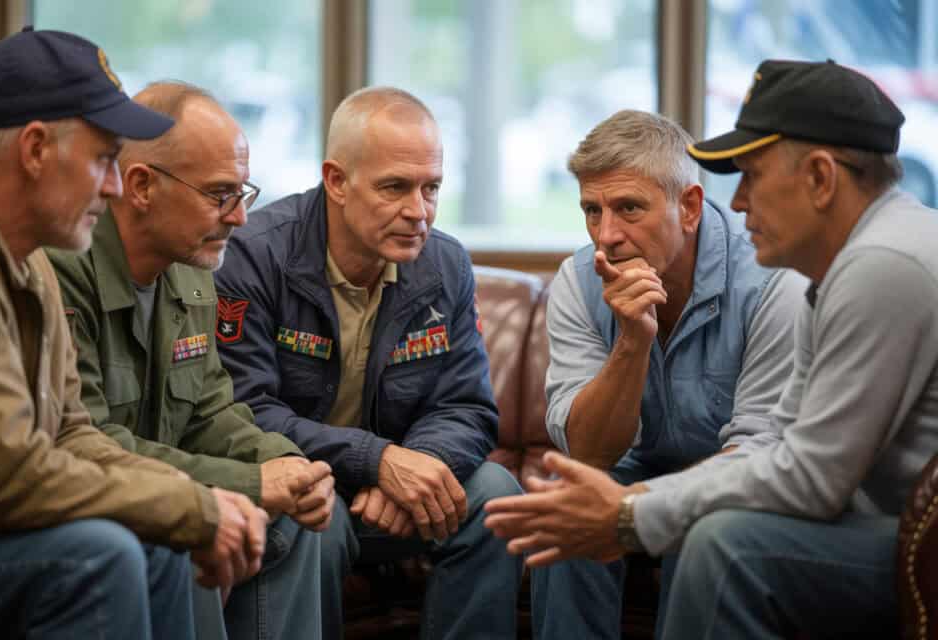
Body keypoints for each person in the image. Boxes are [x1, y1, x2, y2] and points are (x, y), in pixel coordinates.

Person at [486, 59, 938, 639]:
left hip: (914, 541)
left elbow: (806, 476)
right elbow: (786, 442)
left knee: (720, 542)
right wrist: (632, 346)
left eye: (751, 175)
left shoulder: (878, 265)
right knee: (613, 513)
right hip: (883, 526)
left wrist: (631, 513)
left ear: (821, 178)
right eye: (591, 212)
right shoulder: (850, 264)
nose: (741, 200)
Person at [0, 27, 266, 640]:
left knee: (157, 545)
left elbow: (70, 430)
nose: (112, 185)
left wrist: (192, 502)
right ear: (35, 149)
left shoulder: (25, 254)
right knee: (102, 555)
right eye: (104, 159)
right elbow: (0, 477)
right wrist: (191, 509)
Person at [213, 86, 523, 639]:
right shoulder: (253, 255)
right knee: (312, 518)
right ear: (336, 180)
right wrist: (375, 461)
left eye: (432, 189)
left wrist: (414, 469)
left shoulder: (445, 264)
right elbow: (243, 412)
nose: (418, 211)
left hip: (394, 488)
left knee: (496, 494)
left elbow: (467, 406)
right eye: (394, 188)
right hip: (303, 484)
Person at [47, 81, 335, 640]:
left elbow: (209, 411)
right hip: (93, 501)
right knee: (178, 530)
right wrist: (251, 483)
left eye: (242, 192)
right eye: (219, 194)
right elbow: (89, 440)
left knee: (298, 517)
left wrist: (288, 463)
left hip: (162, 486)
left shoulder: (194, 267)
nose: (240, 218)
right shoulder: (63, 267)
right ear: (141, 186)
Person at [528, 109, 806, 639]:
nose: (606, 236)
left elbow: (761, 447)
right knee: (564, 515)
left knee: (701, 529)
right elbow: (587, 452)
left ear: (690, 206)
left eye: (629, 208)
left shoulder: (774, 282)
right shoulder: (577, 282)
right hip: (627, 467)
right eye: (592, 210)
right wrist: (633, 341)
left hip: (735, 477)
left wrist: (653, 509)